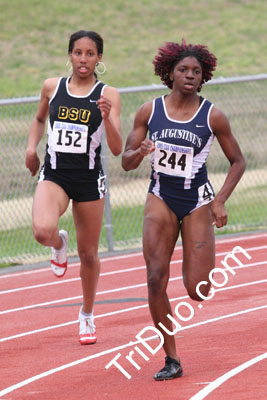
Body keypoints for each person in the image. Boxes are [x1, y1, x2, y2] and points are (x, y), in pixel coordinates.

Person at [121, 39, 245, 380]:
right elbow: (126, 162)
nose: (190, 76)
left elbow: (238, 161)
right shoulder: (149, 111)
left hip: (196, 203)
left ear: (203, 77)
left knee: (198, 289)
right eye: (183, 70)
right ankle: (171, 358)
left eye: (196, 72)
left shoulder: (212, 115)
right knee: (155, 279)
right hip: (160, 197)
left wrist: (219, 201)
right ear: (169, 73)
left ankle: (196, 259)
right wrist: (140, 151)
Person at [25, 30, 122, 345]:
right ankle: (57, 242)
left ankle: (87, 314)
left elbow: (118, 148)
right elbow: (40, 120)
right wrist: (30, 149)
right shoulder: (52, 87)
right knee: (41, 230)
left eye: (90, 54)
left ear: (99, 58)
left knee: (89, 254)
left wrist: (107, 118)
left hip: (89, 180)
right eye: (78, 53)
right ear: (70, 55)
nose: (84, 59)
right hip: (55, 174)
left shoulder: (109, 94)